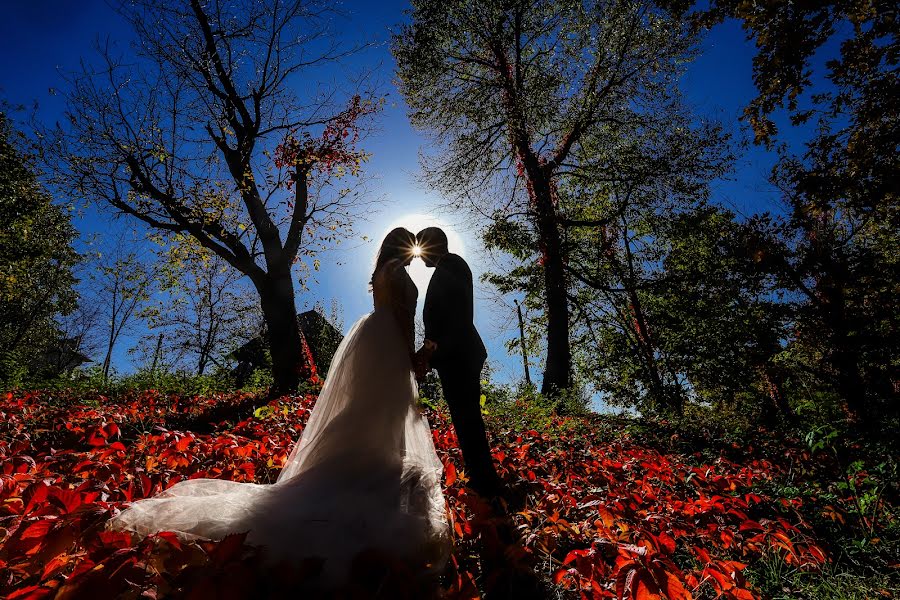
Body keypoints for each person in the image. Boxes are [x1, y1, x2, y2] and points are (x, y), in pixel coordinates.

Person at [105, 228, 450, 588]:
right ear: (401, 246)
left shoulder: (384, 271)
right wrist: (414, 359)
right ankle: (370, 490)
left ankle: (363, 480)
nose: (415, 253)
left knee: (370, 419)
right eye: (411, 243)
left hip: (377, 343)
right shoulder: (398, 272)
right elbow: (404, 320)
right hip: (389, 346)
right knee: (385, 419)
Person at [413, 227, 504, 499]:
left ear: (432, 244)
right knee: (465, 420)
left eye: (421, 247)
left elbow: (455, 318)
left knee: (468, 420)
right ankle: (482, 478)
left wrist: (431, 351)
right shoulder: (448, 267)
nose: (418, 257)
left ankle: (485, 483)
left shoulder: (452, 264)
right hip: (454, 353)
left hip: (459, 354)